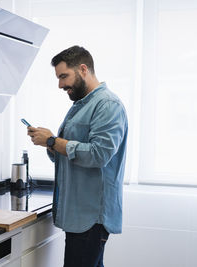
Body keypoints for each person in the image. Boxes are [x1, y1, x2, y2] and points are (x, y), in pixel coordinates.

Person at [27, 45, 128, 267]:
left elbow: (99, 155)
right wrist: (50, 143)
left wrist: (54, 141)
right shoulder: (81, 105)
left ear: (83, 69)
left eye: (64, 76)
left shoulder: (107, 105)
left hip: (91, 218)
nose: (60, 84)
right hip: (80, 218)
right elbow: (68, 156)